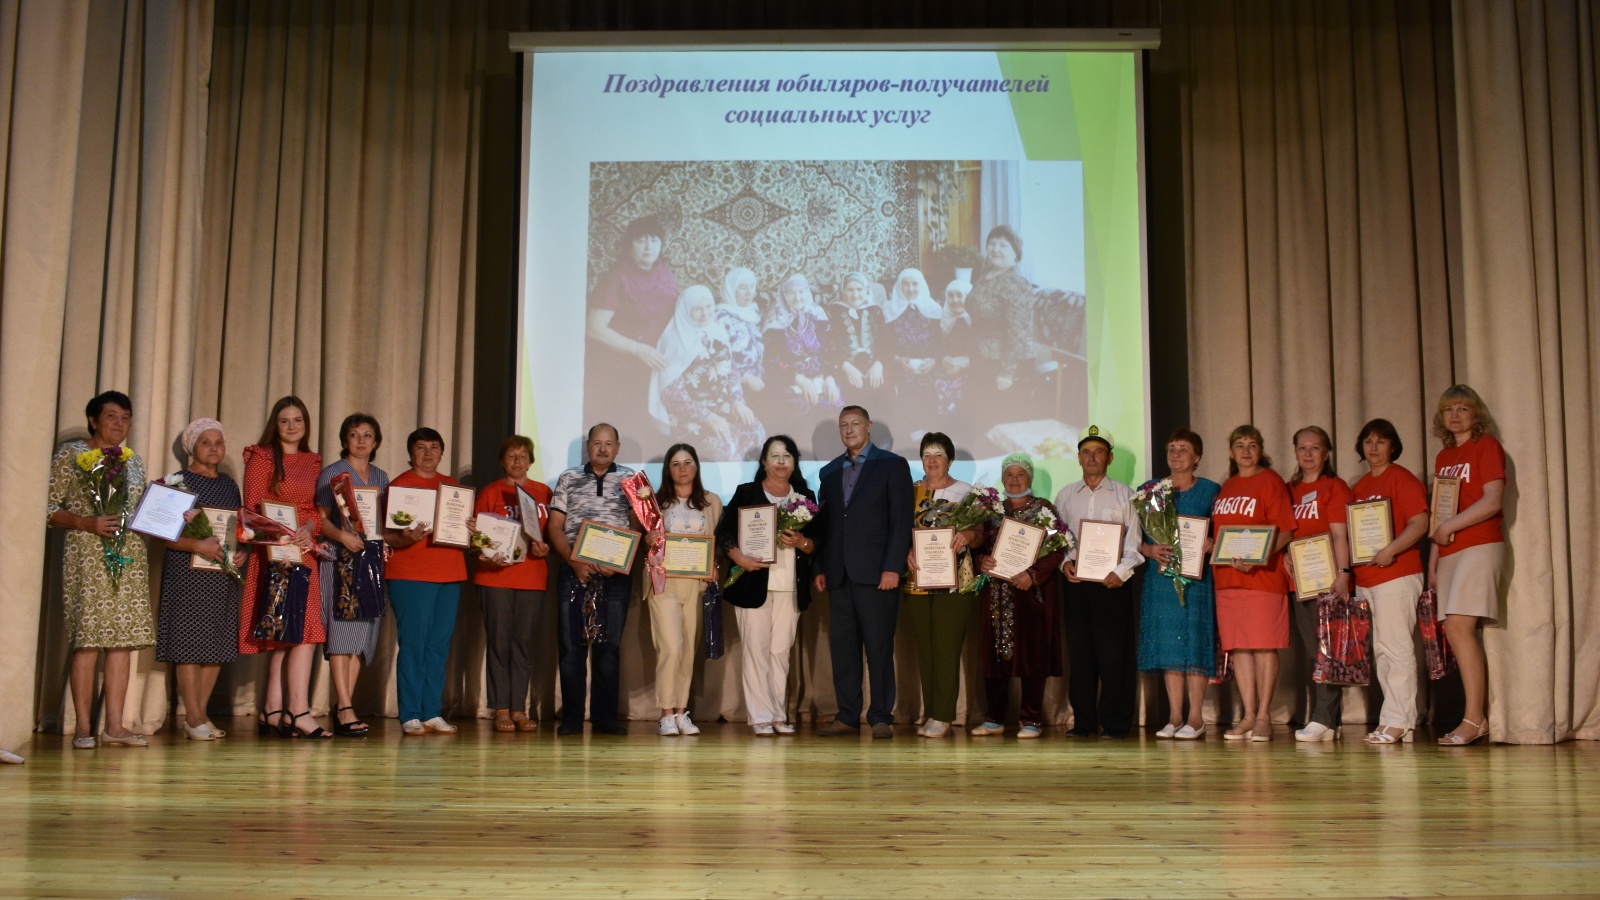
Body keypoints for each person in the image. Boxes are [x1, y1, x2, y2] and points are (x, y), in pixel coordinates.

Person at [46, 391, 155, 748]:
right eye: (111, 416)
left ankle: (115, 726)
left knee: (121, 643)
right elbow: (47, 506)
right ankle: (82, 727)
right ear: (93, 420)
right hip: (87, 555)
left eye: (125, 417)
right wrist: (84, 522)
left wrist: (171, 513)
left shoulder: (133, 461)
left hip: (129, 559)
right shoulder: (72, 455)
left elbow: (140, 511)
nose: (119, 423)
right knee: (88, 641)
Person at [812, 406, 913, 738]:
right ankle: (847, 715)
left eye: (855, 424)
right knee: (843, 650)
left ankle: (881, 716)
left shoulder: (892, 465)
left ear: (869, 426)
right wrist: (820, 567)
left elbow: (901, 521)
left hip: (877, 573)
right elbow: (824, 526)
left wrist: (892, 567)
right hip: (838, 574)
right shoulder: (829, 472)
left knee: (879, 648)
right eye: (844, 425)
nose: (849, 430)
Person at [239, 396, 328, 739]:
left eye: (298, 420)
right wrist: (284, 534)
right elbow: (252, 508)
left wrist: (308, 528)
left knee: (299, 630)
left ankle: (274, 710)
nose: (292, 427)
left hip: (304, 552)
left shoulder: (312, 461)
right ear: (275, 425)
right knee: (288, 632)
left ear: (306, 425)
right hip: (274, 553)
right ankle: (297, 711)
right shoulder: (261, 457)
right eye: (285, 421)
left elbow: (314, 510)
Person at [718, 435, 818, 735]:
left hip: (790, 586)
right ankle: (760, 716)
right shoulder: (746, 493)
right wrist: (739, 557)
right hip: (752, 583)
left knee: (780, 652)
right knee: (756, 650)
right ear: (763, 462)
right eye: (774, 456)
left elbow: (817, 543)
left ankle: (778, 715)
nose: (781, 462)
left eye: (787, 456)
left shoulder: (804, 496)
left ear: (794, 462)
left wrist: (802, 542)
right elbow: (724, 532)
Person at [156, 418, 247, 741]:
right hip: (187, 572)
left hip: (220, 574)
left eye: (218, 443)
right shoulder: (176, 483)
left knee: (215, 644)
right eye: (205, 443)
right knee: (188, 643)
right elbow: (161, 531)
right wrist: (196, 545)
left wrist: (242, 552)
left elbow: (238, 528)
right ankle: (192, 716)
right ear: (191, 447)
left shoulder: (229, 485)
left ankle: (200, 713)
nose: (213, 448)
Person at [547, 423, 639, 736]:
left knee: (608, 647)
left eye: (608, 443)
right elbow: (555, 526)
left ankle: (605, 719)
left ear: (617, 447)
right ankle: (572, 718)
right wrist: (574, 561)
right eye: (597, 443)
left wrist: (621, 561)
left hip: (615, 574)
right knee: (571, 645)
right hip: (574, 570)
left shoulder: (631, 479)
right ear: (588, 446)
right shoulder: (568, 477)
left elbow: (639, 525)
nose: (602, 449)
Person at [1054, 426, 1145, 739]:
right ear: (1079, 457)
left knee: (1114, 656)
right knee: (1080, 655)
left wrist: (1120, 572)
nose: (1092, 457)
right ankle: (1084, 722)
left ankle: (1116, 723)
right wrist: (1065, 563)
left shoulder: (1125, 495)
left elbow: (1134, 544)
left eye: (1099, 452)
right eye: (1086, 452)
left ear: (1110, 458)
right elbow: (1059, 541)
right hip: (1076, 584)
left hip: (1112, 585)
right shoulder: (1065, 495)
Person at [971, 453, 1069, 738]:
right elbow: (978, 549)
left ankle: (1031, 719)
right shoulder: (991, 510)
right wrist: (981, 561)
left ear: (1030, 478)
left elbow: (1058, 549)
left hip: (1031, 594)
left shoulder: (1043, 510)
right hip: (996, 594)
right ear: (1002, 478)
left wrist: (1033, 575)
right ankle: (994, 718)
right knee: (994, 656)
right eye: (1009, 474)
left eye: (1021, 474)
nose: (1014, 480)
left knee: (1032, 655)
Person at [1430, 385, 1507, 746]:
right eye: (1449, 409)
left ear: (1476, 414)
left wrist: (1449, 527)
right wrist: (1434, 559)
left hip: (1480, 543)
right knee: (1454, 630)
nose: (1456, 415)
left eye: (1463, 408)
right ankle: (1474, 717)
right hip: (1449, 550)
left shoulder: (1486, 445)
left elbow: (1492, 501)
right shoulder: (1444, 456)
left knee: (1461, 628)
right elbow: (1439, 514)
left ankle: (1475, 719)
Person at [1347, 418, 1431, 744]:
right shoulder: (1360, 486)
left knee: (1397, 649)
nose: (1374, 447)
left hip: (1397, 573)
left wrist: (1390, 550)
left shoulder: (1402, 478)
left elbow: (1419, 523)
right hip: (1367, 578)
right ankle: (1390, 719)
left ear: (1392, 446)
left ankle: (1401, 720)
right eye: (1368, 441)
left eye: (1380, 441)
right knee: (1381, 651)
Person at [1211, 425, 1296, 742]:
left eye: (1252, 445)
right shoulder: (1228, 485)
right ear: (1231, 451)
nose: (1245, 451)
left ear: (1261, 450)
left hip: (1262, 578)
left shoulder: (1271, 481)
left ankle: (1263, 716)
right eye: (1239, 445)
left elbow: (1286, 531)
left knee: (1263, 646)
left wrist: (1260, 557)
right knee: (1240, 648)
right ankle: (1247, 715)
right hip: (1227, 579)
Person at [383, 427, 468, 736]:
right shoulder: (399, 486)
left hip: (450, 573)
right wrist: (405, 539)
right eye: (421, 447)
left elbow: (460, 531)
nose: (428, 453)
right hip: (410, 575)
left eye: (434, 447)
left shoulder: (452, 486)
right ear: (411, 453)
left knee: (438, 646)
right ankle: (410, 713)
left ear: (442, 452)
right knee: (414, 644)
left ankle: (432, 711)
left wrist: (469, 527)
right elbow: (386, 535)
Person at [1137, 428, 1221, 740]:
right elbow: (1133, 536)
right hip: (1160, 579)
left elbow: (1224, 530)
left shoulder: (1211, 490)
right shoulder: (1149, 491)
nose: (1176, 454)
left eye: (1183, 448)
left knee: (1194, 645)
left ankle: (1195, 718)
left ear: (1197, 457)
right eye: (1172, 448)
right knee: (1169, 646)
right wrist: (1147, 550)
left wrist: (1213, 542)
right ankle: (1174, 717)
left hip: (1196, 580)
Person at [902, 432, 983, 738]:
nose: (932, 461)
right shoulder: (910, 491)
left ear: (950, 460)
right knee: (925, 648)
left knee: (947, 648)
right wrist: (905, 551)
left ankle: (944, 715)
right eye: (927, 455)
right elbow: (898, 531)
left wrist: (968, 536)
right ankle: (931, 711)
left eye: (938, 455)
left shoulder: (966, 492)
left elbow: (980, 534)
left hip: (955, 581)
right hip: (917, 578)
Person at [314, 413, 389, 737]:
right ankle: (344, 707)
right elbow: (320, 519)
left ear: (376, 441)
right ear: (345, 439)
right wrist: (342, 536)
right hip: (340, 560)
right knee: (341, 635)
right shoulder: (332, 473)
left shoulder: (381, 476)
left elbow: (383, 521)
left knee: (360, 638)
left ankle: (345, 705)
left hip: (370, 563)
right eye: (355, 434)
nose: (361, 440)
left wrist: (386, 544)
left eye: (367, 435)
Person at [472, 435, 552, 734]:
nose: (517, 461)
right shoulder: (490, 492)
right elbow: (476, 538)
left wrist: (547, 549)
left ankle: (519, 708)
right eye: (511, 455)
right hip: (495, 578)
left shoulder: (543, 493)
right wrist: (484, 554)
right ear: (501, 461)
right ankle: (501, 708)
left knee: (523, 644)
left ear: (530, 461)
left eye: (523, 455)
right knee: (499, 642)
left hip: (532, 578)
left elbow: (553, 533)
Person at [1285, 426, 1355, 742]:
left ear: (1326, 453)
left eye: (1315, 448)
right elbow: (1283, 532)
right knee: (1314, 651)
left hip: (1327, 580)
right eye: (1302, 447)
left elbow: (1340, 534)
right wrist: (1283, 554)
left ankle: (1323, 717)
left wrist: (1343, 573)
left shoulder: (1335, 487)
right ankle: (1330, 721)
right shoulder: (1288, 489)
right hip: (1299, 583)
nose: (1308, 453)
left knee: (1327, 650)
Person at [648, 443, 722, 735]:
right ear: (668, 469)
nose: (682, 469)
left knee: (688, 648)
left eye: (688, 462)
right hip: (663, 581)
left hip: (696, 583)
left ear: (696, 467)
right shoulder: (654, 503)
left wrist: (713, 565)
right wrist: (648, 540)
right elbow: (644, 541)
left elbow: (714, 541)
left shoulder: (711, 501)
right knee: (670, 646)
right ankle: (665, 713)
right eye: (676, 463)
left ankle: (681, 712)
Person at [649, 284, 765, 460]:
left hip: (723, 406)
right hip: (690, 415)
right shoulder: (673, 341)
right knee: (722, 447)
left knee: (754, 429)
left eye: (708, 307)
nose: (705, 314)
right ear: (686, 311)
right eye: (697, 309)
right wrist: (708, 417)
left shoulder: (716, 331)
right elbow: (670, 393)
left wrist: (737, 401)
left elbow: (731, 370)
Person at [586, 215, 680, 425]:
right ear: (629, 245)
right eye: (641, 240)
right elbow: (593, 328)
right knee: (629, 427)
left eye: (654, 240)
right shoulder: (616, 278)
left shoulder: (664, 271)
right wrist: (639, 350)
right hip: (621, 372)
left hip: (656, 368)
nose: (648, 247)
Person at [967, 225, 1038, 421]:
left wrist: (1007, 373)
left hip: (1005, 364)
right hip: (983, 357)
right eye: (992, 244)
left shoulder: (1017, 283)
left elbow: (1019, 332)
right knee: (978, 417)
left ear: (1016, 253)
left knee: (996, 420)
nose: (995, 249)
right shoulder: (985, 276)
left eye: (1003, 245)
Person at [762, 274, 841, 420]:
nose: (797, 298)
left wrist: (830, 377)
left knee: (835, 404)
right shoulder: (775, 322)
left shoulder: (819, 316)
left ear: (807, 292)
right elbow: (771, 360)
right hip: (791, 380)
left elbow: (831, 350)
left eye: (801, 292)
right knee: (800, 409)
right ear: (784, 296)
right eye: (791, 293)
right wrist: (799, 379)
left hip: (822, 376)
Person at [882, 268, 945, 415]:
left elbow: (941, 343)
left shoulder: (934, 309)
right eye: (906, 284)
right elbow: (885, 344)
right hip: (900, 365)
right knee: (905, 397)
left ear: (921, 285)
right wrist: (899, 360)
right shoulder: (889, 310)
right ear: (899, 286)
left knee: (932, 394)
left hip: (929, 365)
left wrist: (934, 361)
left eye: (915, 284)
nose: (910, 289)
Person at [830, 272, 889, 406]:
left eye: (859, 289)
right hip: (845, 368)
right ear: (842, 291)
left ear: (866, 290)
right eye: (850, 290)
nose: (855, 295)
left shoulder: (876, 311)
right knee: (850, 396)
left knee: (883, 391)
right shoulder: (833, 313)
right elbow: (830, 346)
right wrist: (846, 367)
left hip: (875, 366)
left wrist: (878, 364)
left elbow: (887, 343)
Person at [717, 267, 766, 405]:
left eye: (752, 286)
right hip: (734, 384)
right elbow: (718, 358)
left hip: (760, 380)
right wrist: (745, 377)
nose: (749, 292)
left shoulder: (753, 311)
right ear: (731, 290)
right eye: (743, 288)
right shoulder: (720, 318)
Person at [934, 278, 973, 416]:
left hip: (971, 369)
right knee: (941, 387)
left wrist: (964, 365)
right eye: (950, 296)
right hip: (946, 368)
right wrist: (943, 357)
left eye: (959, 295)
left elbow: (979, 348)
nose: (955, 300)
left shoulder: (976, 320)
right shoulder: (940, 318)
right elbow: (936, 344)